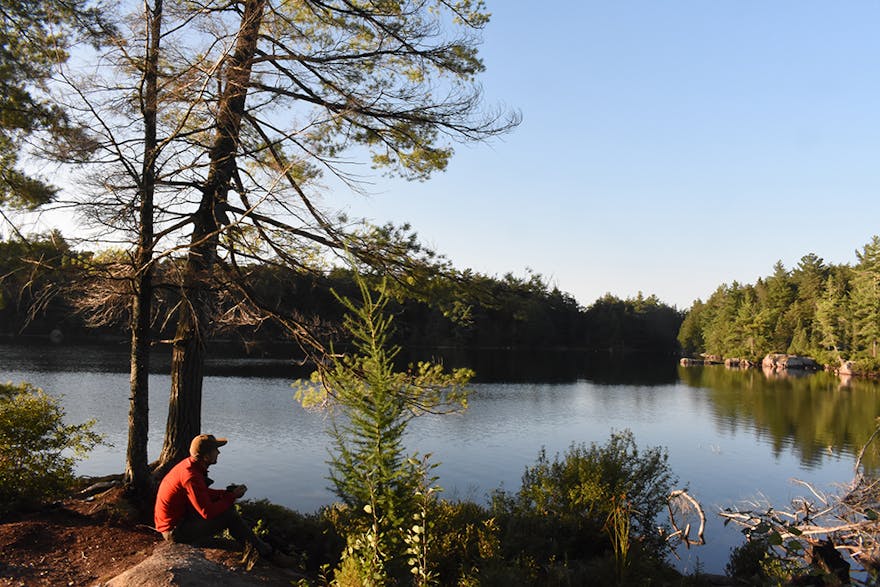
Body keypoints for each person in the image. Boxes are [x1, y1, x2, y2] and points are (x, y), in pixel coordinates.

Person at [154, 434, 273, 558]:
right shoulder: (191, 476)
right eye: (215, 450)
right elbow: (207, 512)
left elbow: (201, 494)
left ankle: (253, 546)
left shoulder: (189, 465)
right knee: (229, 515)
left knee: (227, 508)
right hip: (175, 532)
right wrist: (231, 497)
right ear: (206, 457)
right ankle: (265, 552)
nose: (219, 452)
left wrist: (226, 494)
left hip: (179, 522)